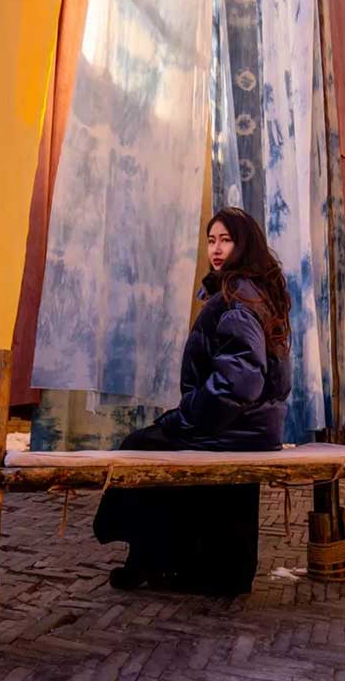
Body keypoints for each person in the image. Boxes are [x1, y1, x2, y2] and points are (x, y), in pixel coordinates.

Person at [93, 206, 292, 596]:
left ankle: (148, 561)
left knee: (139, 449)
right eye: (211, 240)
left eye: (226, 240)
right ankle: (192, 565)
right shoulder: (254, 294)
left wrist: (188, 416)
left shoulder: (236, 299)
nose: (216, 249)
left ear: (244, 245)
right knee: (154, 442)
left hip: (232, 427)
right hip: (252, 428)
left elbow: (239, 382)